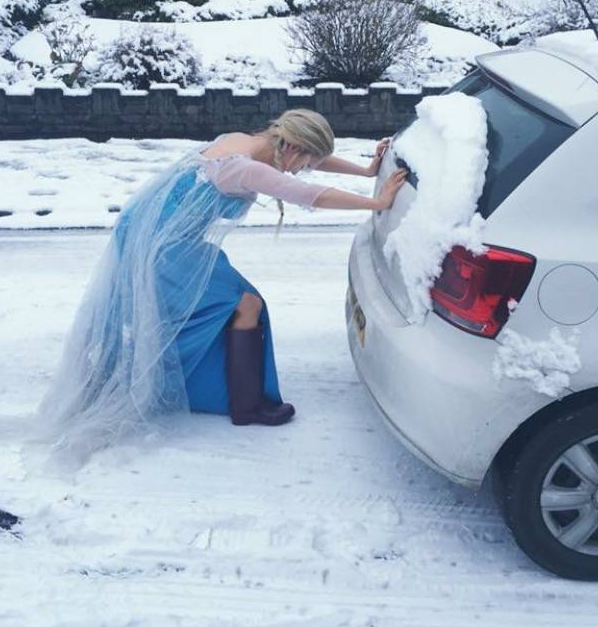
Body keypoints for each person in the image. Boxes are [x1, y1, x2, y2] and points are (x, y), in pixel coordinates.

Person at [36, 109, 406, 462]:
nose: (304, 170)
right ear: (291, 148)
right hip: (165, 249)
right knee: (247, 304)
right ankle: (245, 407)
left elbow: (314, 162)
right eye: (304, 162)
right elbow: (311, 196)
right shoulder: (244, 170)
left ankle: (231, 393)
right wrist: (377, 202)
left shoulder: (246, 141)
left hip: (163, 238)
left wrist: (365, 170)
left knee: (242, 304)